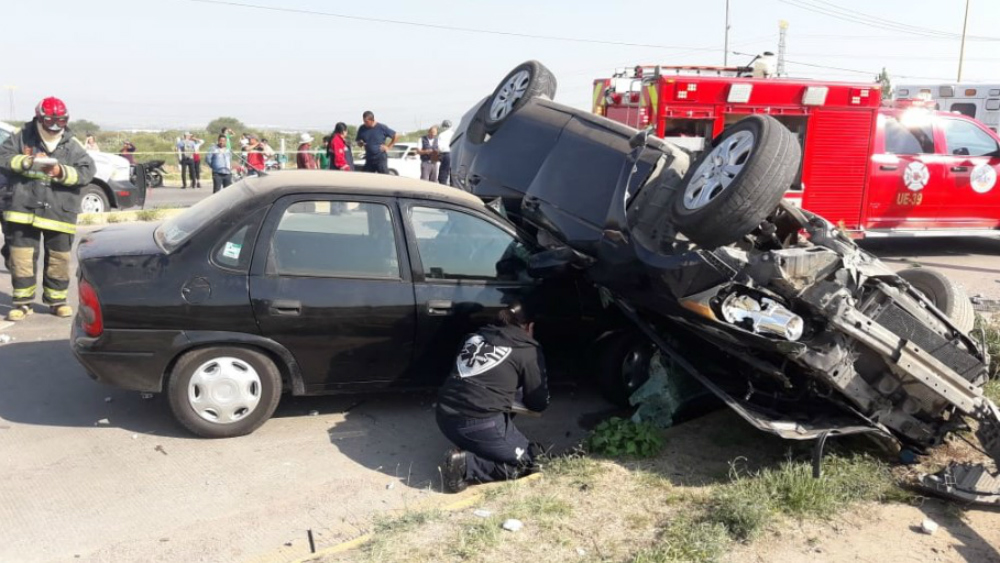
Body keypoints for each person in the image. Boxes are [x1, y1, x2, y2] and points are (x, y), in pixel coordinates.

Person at [436, 301, 549, 493]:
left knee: (495, 406)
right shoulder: (527, 349)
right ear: (529, 327)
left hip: (443, 417)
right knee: (530, 462)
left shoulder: (474, 337)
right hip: (478, 424)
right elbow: (537, 403)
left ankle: (479, 445)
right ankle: (465, 466)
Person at [0, 97, 95, 321]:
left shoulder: (72, 145)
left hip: (59, 213)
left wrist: (60, 172)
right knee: (21, 258)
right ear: (39, 118)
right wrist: (27, 161)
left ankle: (57, 302)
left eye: (60, 122)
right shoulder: (21, 137)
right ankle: (22, 303)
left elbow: (87, 171)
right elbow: (3, 158)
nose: (54, 127)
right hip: (22, 210)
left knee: (59, 259)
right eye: (50, 121)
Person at [437, 120, 454, 186]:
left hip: (445, 154)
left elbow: (439, 146)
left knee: (443, 171)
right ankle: (453, 186)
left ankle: (443, 186)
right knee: (452, 171)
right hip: (454, 153)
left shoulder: (441, 134)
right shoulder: (454, 133)